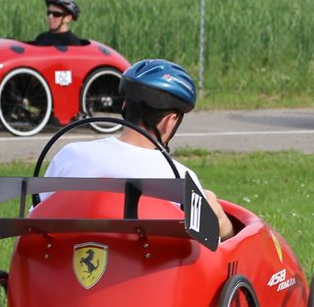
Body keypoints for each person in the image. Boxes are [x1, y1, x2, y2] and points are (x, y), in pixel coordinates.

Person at [45, 58, 234, 238]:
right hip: (145, 261)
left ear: (125, 106)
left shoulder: (71, 155)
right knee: (210, 201)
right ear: (170, 121)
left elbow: (40, 214)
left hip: (69, 257)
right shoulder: (179, 177)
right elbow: (212, 245)